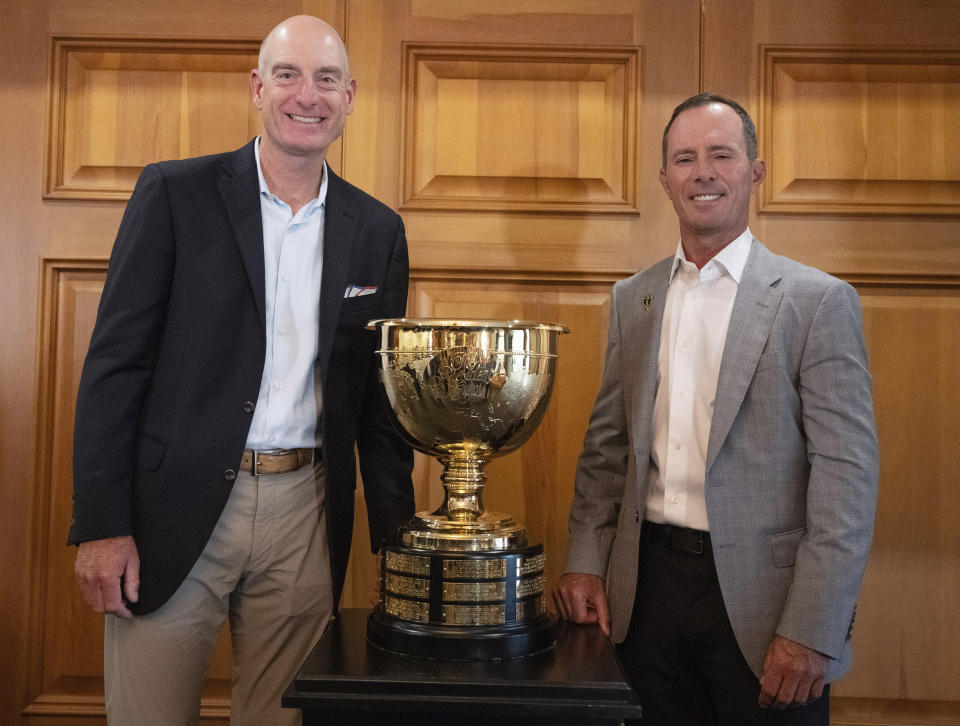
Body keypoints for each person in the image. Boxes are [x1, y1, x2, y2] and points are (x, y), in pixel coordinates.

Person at [68, 15, 415, 726]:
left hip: (307, 511)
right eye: (288, 74)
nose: (306, 95)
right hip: (172, 509)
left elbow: (380, 403)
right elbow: (114, 367)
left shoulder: (377, 230)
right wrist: (101, 524)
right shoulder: (174, 195)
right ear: (258, 87)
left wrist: (396, 542)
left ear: (350, 97)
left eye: (326, 79)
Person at [553, 93, 878, 725]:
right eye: (685, 158)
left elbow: (847, 484)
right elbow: (606, 454)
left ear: (754, 172)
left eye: (721, 155)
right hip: (642, 600)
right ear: (665, 180)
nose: (703, 172)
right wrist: (586, 563)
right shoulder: (632, 299)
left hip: (767, 609)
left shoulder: (816, 303)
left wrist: (815, 627)